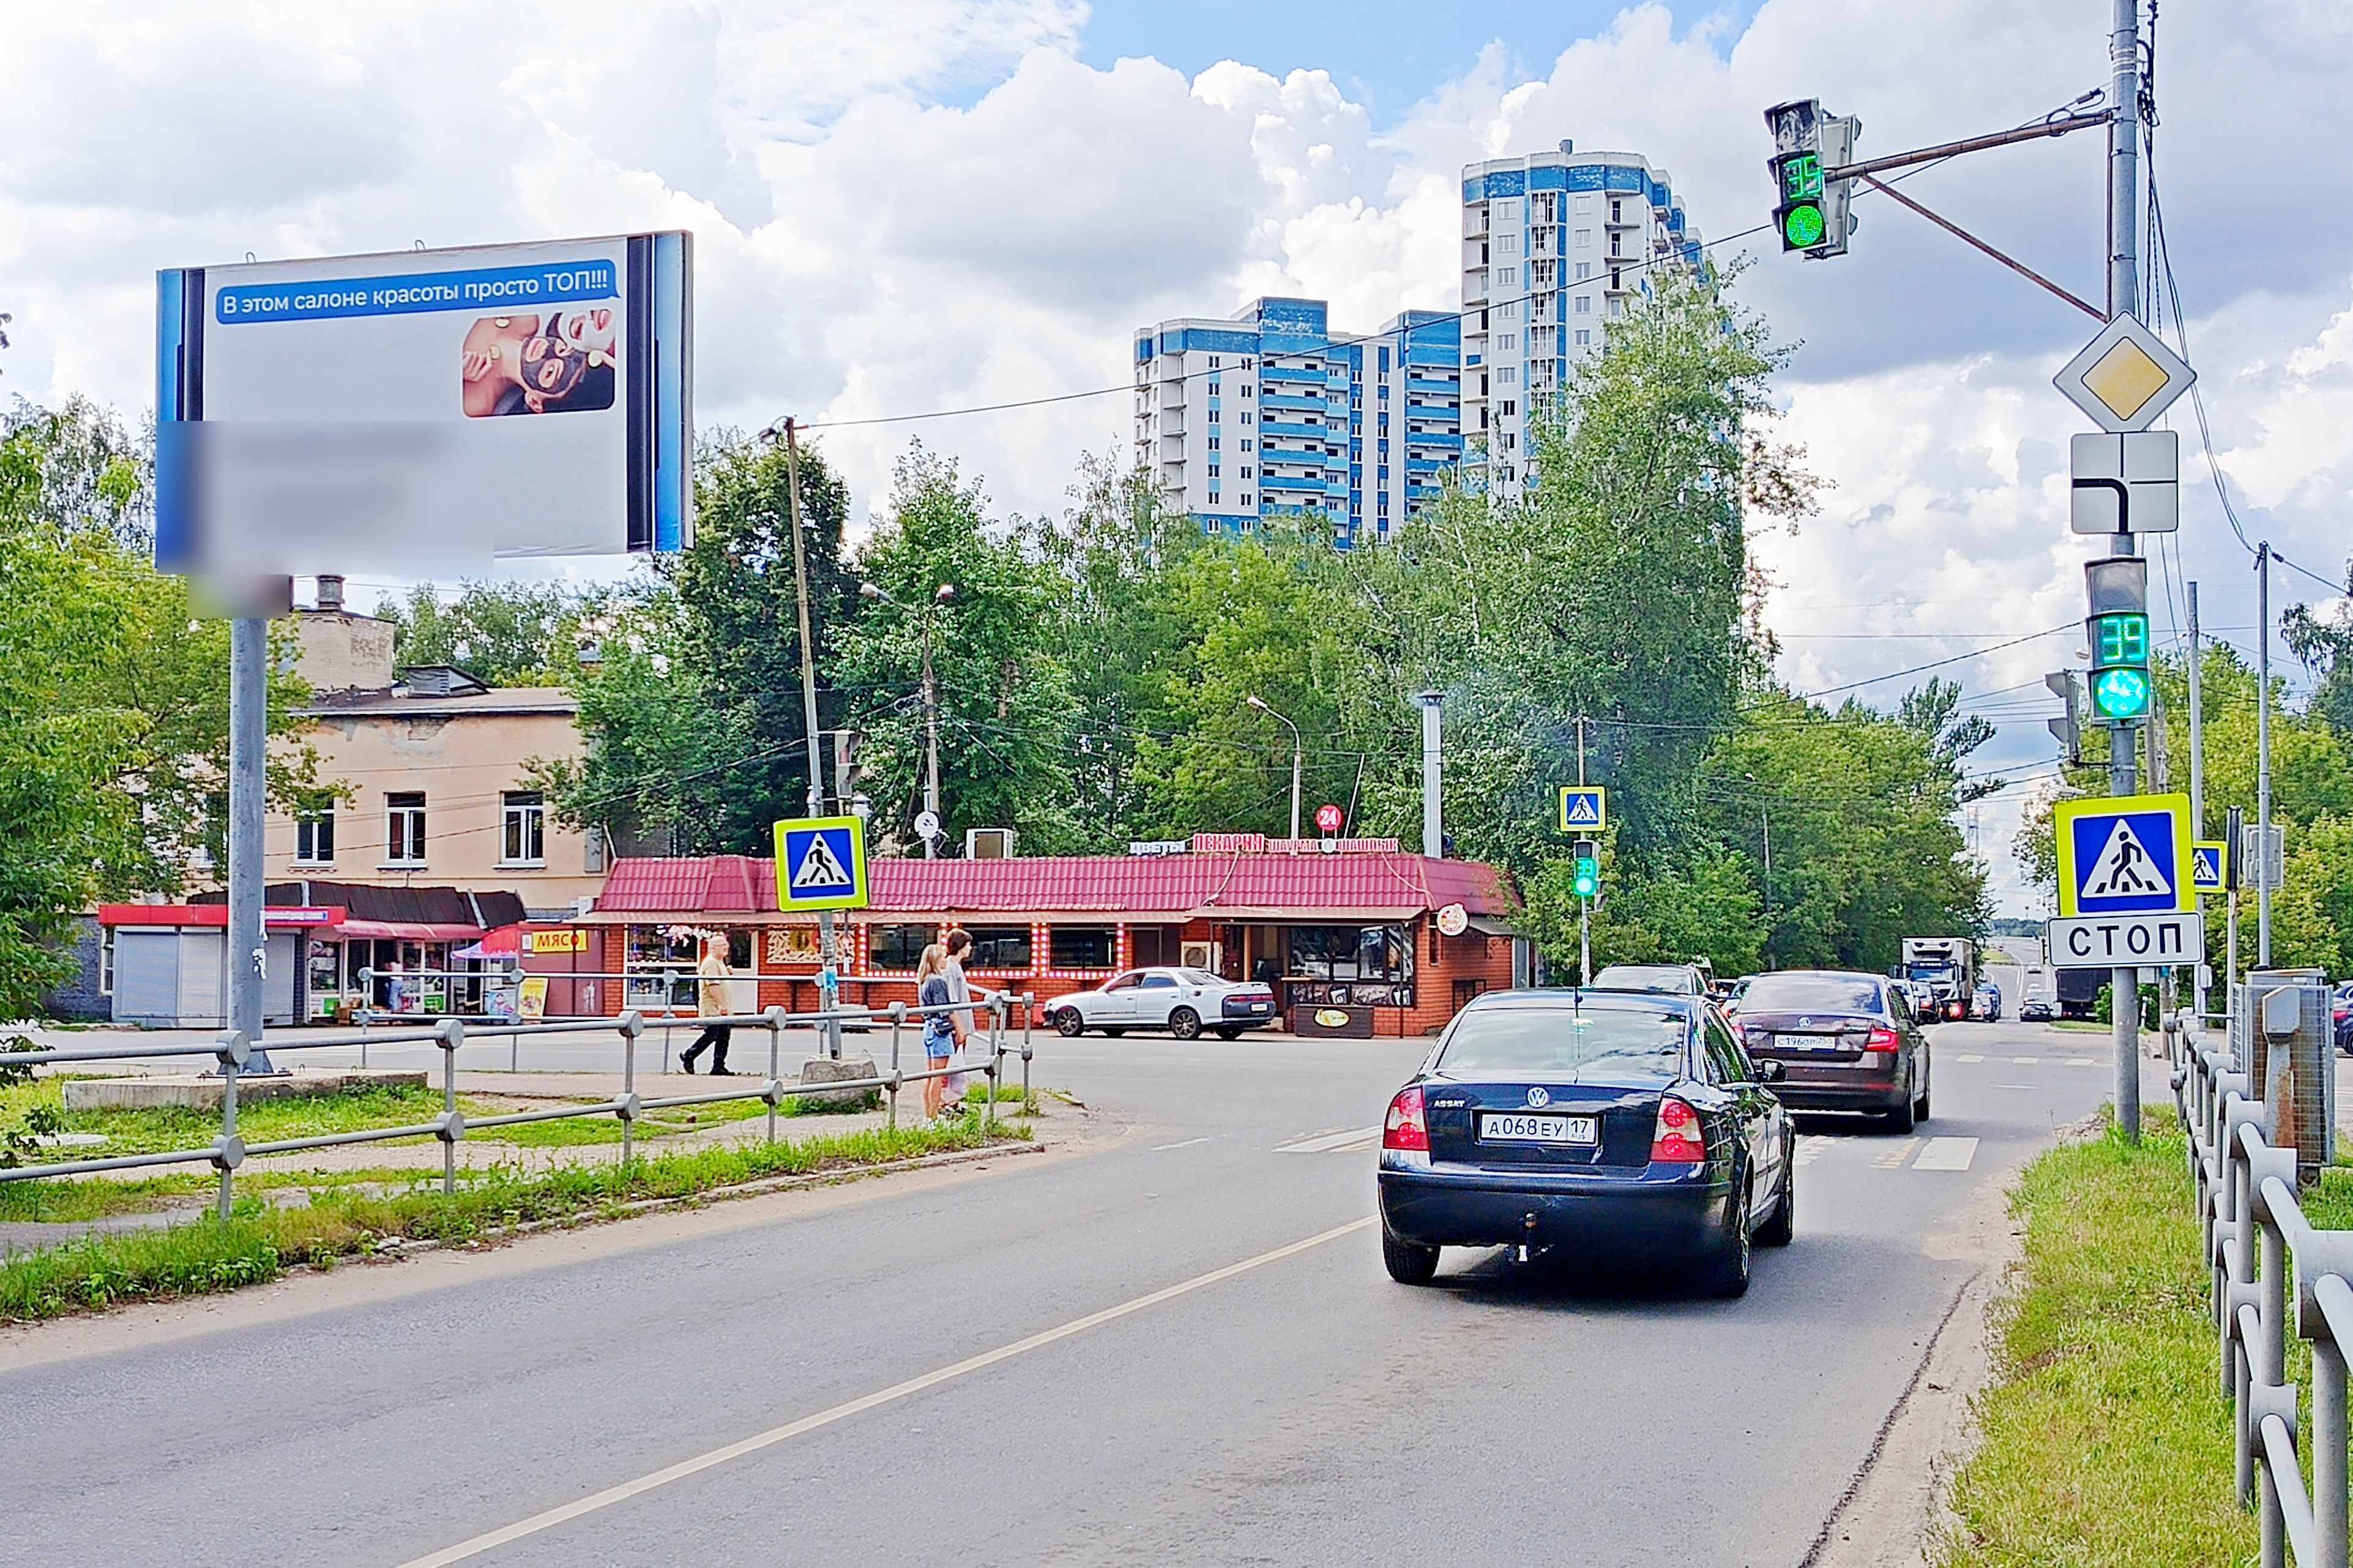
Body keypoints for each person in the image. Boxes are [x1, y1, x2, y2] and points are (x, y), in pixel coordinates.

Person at [914, 943, 957, 1120]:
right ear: (936, 960)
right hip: (940, 1029)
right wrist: (957, 1027)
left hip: (929, 1028)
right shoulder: (938, 981)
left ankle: (928, 1114)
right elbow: (945, 1009)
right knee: (939, 1075)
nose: (946, 959)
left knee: (931, 1074)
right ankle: (933, 1116)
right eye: (943, 956)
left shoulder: (924, 981)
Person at [681, 935, 734, 1075]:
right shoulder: (711, 963)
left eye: (726, 945)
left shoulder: (720, 962)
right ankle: (689, 1055)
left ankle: (718, 1066)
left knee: (723, 1035)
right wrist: (722, 1006)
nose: (726, 948)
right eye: (722, 945)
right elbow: (713, 986)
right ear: (712, 948)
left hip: (720, 1006)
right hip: (713, 1006)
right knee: (712, 1034)